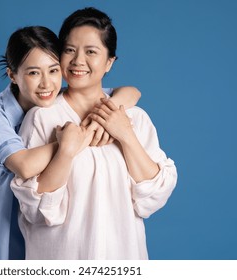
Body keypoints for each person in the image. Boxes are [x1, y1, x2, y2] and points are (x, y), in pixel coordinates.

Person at [11, 7, 178, 259]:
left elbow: (153, 197)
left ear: (109, 62)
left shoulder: (135, 118)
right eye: (69, 50)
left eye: (91, 51)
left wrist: (126, 136)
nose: (78, 61)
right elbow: (36, 210)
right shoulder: (42, 117)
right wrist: (65, 153)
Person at [0, 25, 141, 259]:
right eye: (33, 73)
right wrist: (76, 139)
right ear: (12, 75)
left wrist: (104, 116)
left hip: (41, 240)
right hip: (1, 239)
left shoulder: (56, 104)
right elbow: (25, 165)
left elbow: (131, 92)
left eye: (53, 70)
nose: (46, 84)